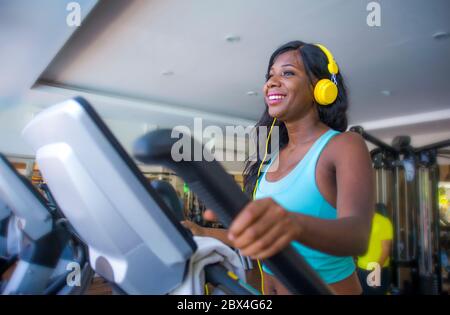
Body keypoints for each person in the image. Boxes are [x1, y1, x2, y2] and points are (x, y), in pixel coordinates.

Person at [184, 40, 374, 295]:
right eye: (270, 76)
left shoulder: (344, 145)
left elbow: (358, 236)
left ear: (322, 87)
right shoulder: (271, 158)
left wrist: (293, 223)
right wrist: (201, 232)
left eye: (287, 73)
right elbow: (262, 235)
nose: (271, 82)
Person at [357, 203, 393, 295]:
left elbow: (386, 250)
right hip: (361, 269)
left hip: (376, 269)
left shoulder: (384, 222)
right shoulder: (360, 222)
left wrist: (376, 271)